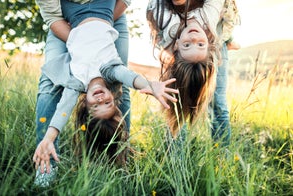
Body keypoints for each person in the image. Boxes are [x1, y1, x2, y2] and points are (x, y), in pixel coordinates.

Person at [33, 0, 179, 187]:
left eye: (95, 105)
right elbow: (130, 77)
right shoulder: (110, 71)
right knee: (123, 88)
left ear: (84, 103)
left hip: (72, 14)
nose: (101, 99)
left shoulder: (76, 82)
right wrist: (150, 85)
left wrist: (49, 138)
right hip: (104, 8)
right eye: (107, 104)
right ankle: (121, 157)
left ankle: (114, 160)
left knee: (50, 87)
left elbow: (63, 110)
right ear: (113, 99)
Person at [147, 0, 224, 138]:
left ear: (177, 45)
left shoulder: (170, 27)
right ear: (208, 43)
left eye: (187, 45)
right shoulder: (208, 19)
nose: (194, 36)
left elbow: (156, 4)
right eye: (200, 44)